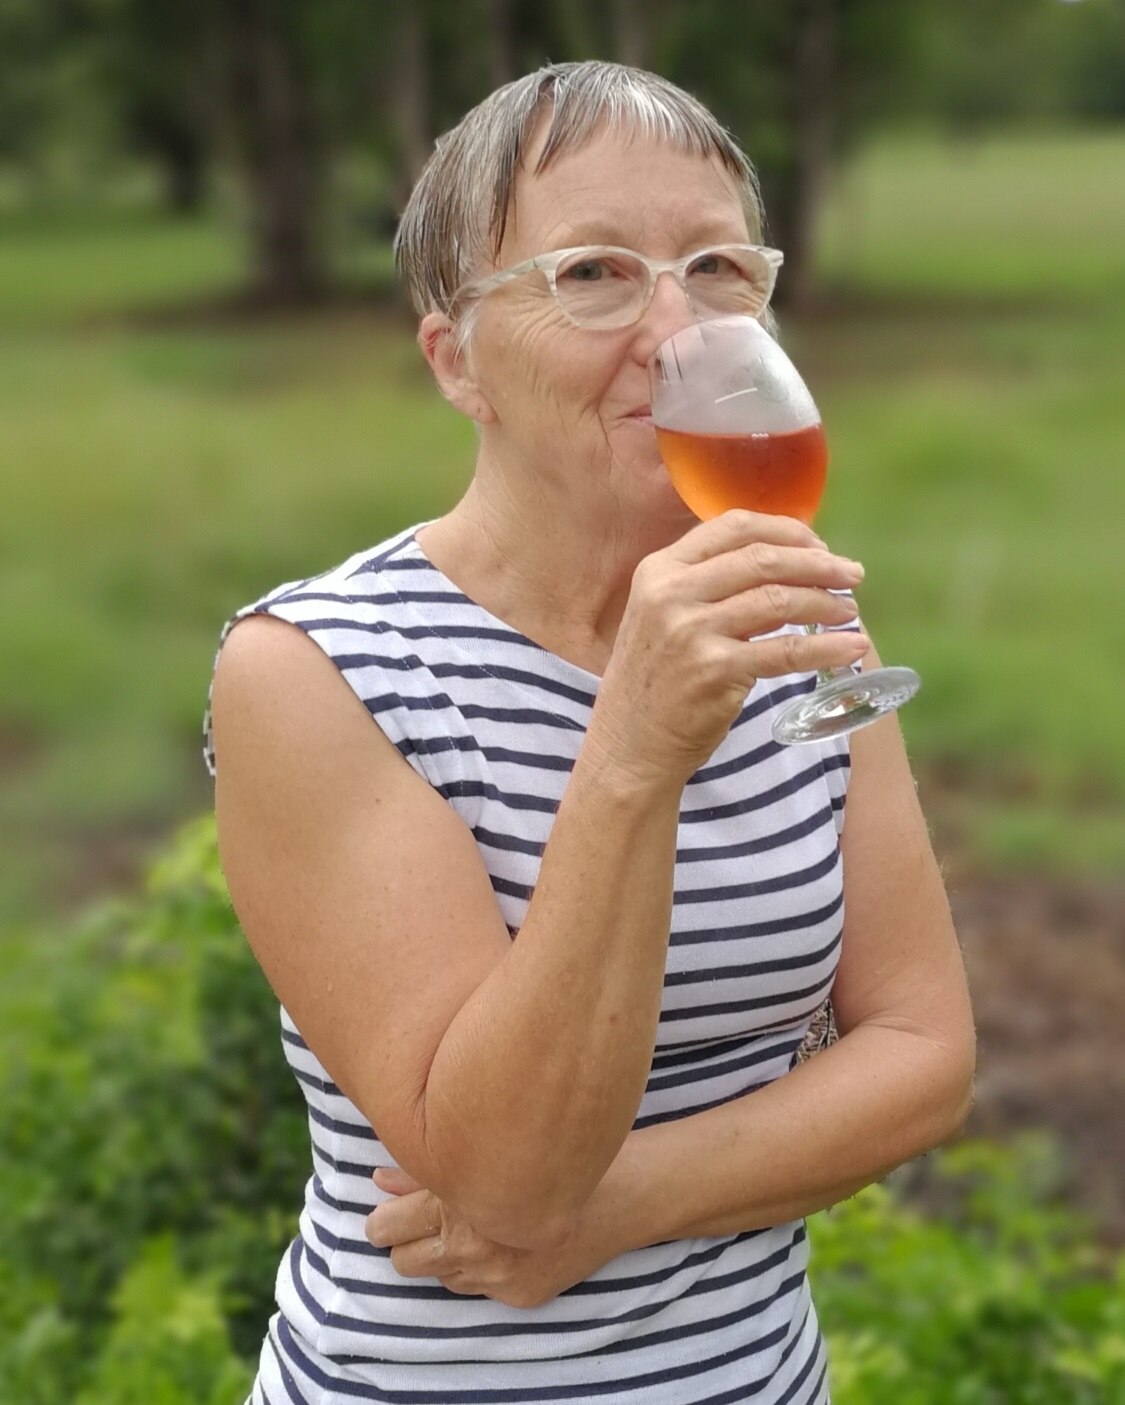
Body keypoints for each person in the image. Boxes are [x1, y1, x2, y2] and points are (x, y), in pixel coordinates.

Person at [203, 60, 975, 1405]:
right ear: (458, 361)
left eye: (719, 269)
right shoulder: (315, 671)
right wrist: (631, 752)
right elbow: (496, 1166)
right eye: (593, 275)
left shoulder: (790, 615)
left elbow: (920, 1054)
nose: (675, 328)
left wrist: (611, 1206)